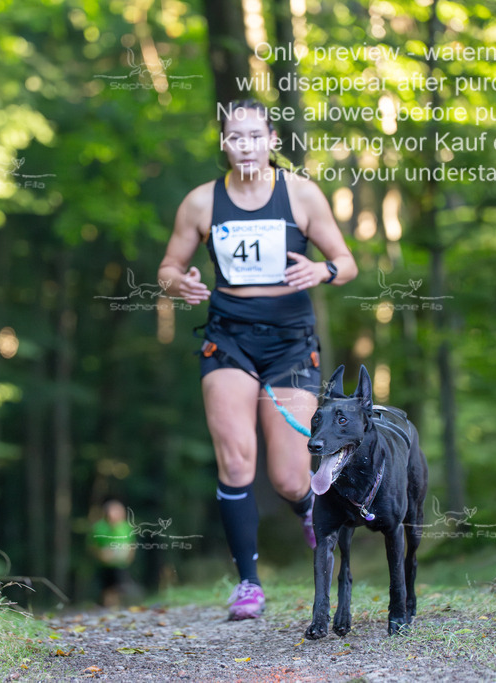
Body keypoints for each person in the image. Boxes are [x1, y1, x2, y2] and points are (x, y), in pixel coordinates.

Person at [157, 99, 358, 620]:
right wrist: (180, 284)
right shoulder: (201, 203)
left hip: (291, 342)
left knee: (290, 477)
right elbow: (168, 268)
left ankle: (309, 509)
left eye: (254, 136)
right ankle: (248, 583)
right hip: (229, 339)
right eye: (234, 137)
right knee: (235, 460)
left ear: (272, 140)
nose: (244, 145)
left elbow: (346, 262)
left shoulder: (302, 194)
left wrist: (322, 272)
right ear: (224, 144)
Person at [90, 497, 136, 607]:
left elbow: (132, 545)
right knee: (106, 588)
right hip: (104, 566)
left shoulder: (126, 527)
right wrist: (101, 555)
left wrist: (129, 557)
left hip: (121, 565)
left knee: (119, 587)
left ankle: (116, 607)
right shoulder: (99, 528)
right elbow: (92, 546)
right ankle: (107, 607)